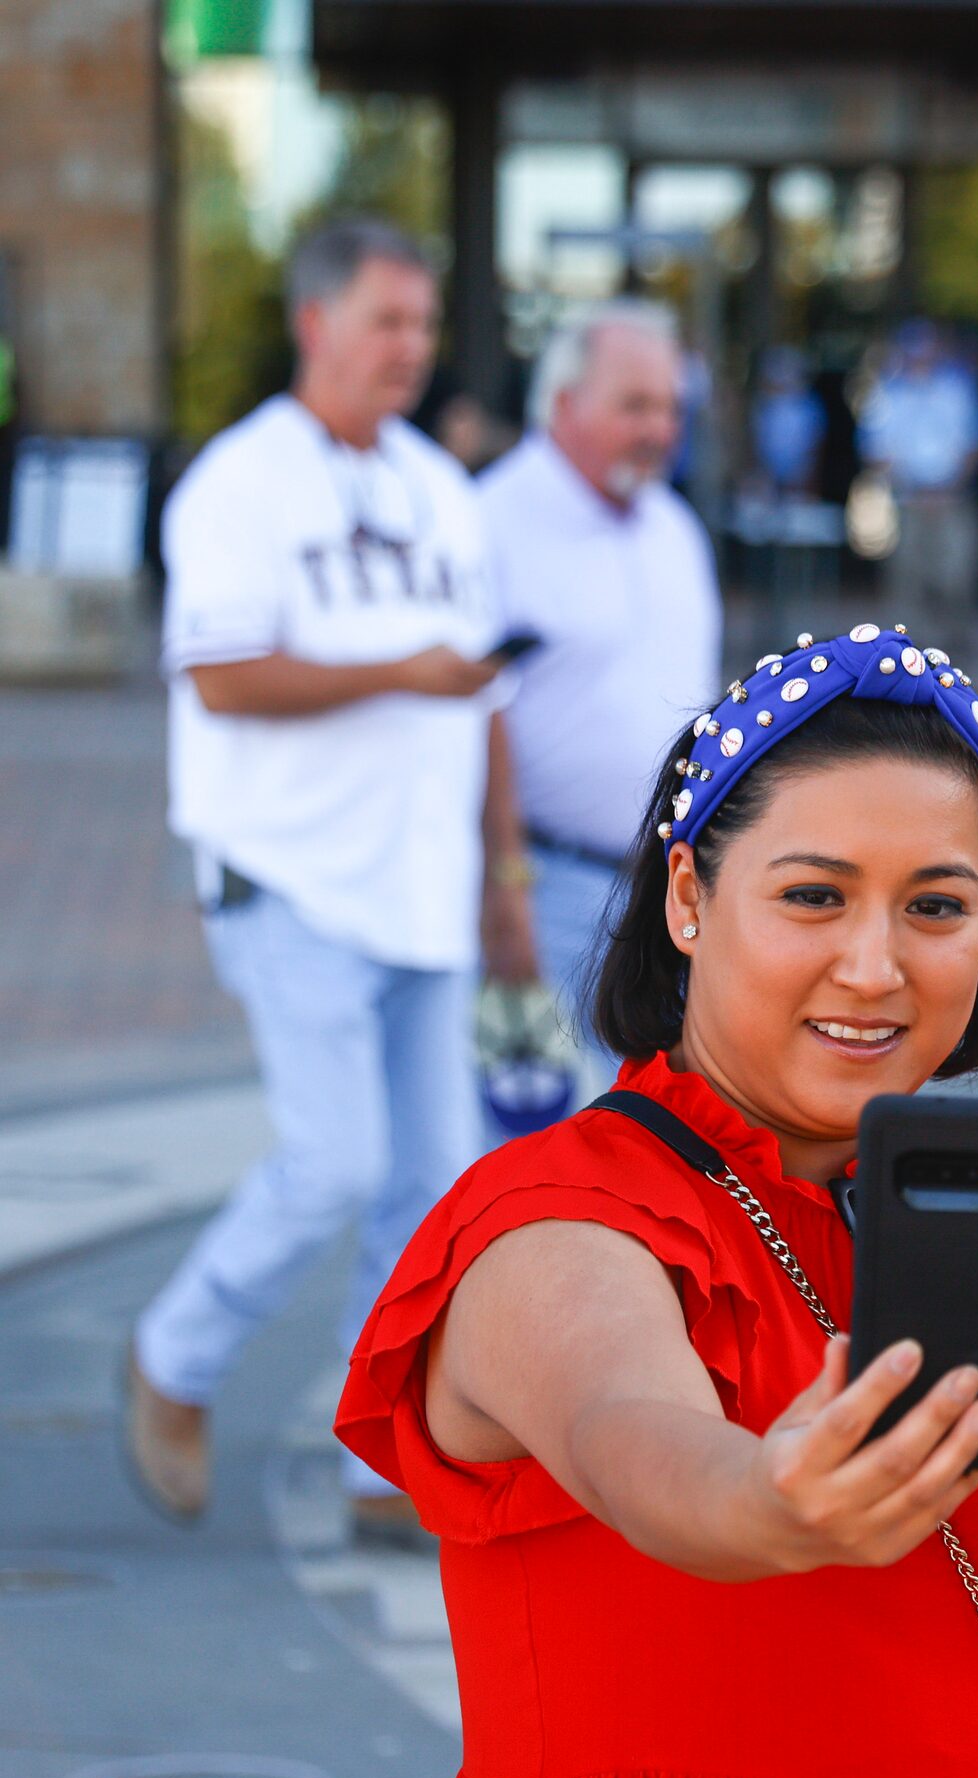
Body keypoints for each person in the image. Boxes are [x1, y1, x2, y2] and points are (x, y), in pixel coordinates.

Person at [334, 624, 978, 1778]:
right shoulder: (555, 1214)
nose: (873, 966)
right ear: (686, 899)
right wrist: (772, 1503)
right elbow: (632, 1440)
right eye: (812, 896)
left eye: (936, 905)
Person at [123, 220, 514, 1537]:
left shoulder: (439, 488)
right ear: (316, 324)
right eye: (386, 321)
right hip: (290, 872)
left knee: (430, 1185)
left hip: (422, 880)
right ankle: (176, 1356)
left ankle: (381, 1461)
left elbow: (483, 695)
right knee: (336, 1159)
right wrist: (400, 673)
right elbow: (223, 674)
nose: (411, 347)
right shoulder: (238, 484)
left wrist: (497, 866)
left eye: (421, 323)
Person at [478, 299, 723, 1113]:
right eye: (635, 406)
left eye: (670, 408)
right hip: (540, 892)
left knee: (653, 1142)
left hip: (662, 898)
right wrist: (503, 890)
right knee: (526, 1144)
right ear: (562, 406)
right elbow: (472, 724)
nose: (659, 429)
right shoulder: (489, 525)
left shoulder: (675, 530)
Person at [862, 318, 978, 627]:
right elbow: (874, 452)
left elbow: (973, 445)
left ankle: (955, 649)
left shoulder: (956, 390)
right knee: (906, 580)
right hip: (908, 500)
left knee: (959, 573)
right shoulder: (887, 395)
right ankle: (911, 655)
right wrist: (913, 490)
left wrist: (948, 490)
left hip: (952, 498)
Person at [749, 347, 825, 496]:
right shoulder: (764, 407)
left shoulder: (808, 406)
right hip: (768, 478)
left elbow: (816, 445)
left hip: (800, 478)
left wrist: (806, 475)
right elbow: (756, 443)